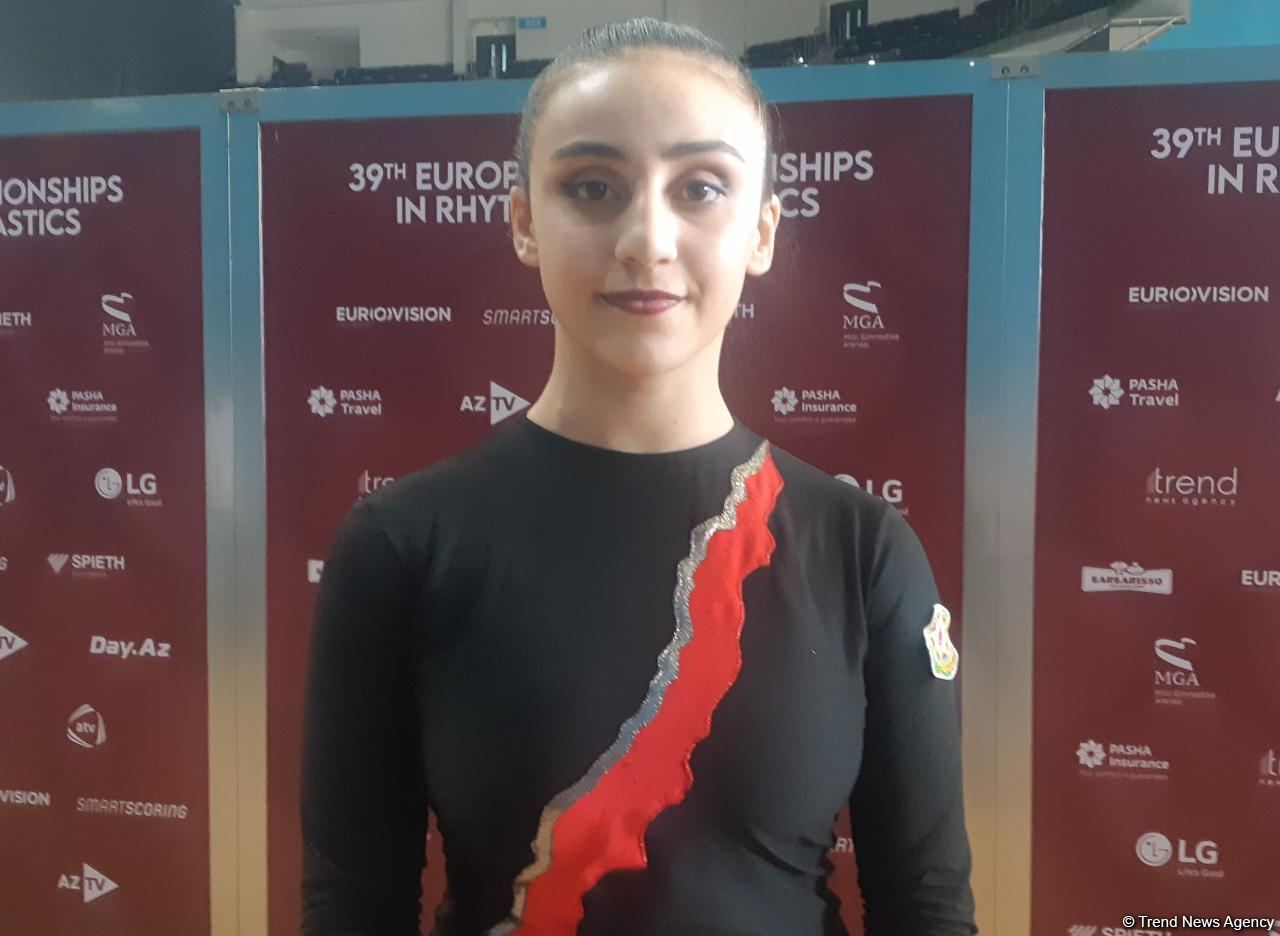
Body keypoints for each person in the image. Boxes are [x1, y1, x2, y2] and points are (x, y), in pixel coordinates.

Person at [300, 16, 977, 936]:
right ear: (525, 223)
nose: (646, 239)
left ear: (762, 232)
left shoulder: (862, 552)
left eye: (700, 188)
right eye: (593, 187)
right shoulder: (403, 547)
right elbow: (351, 910)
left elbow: (927, 907)